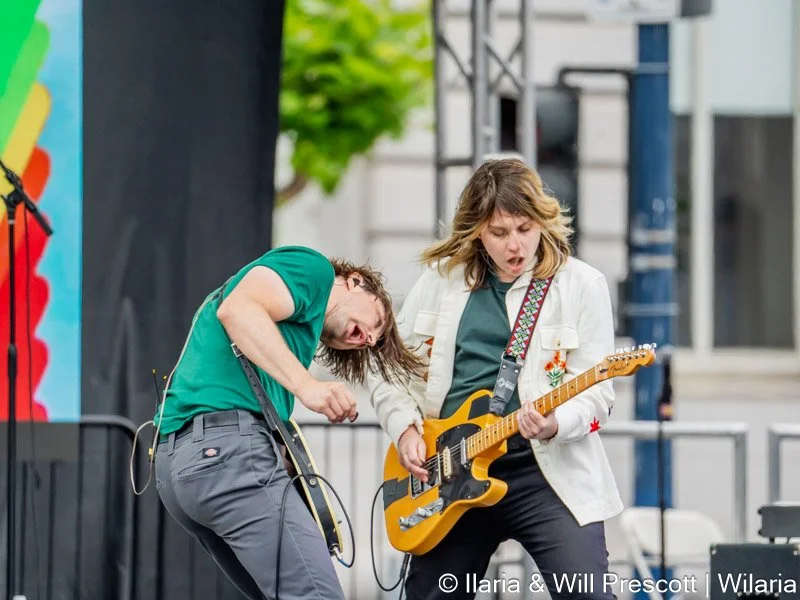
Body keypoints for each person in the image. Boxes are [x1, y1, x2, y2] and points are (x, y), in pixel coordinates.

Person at [369, 158, 624, 600]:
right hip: (448, 473)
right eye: (499, 233)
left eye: (525, 229)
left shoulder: (582, 284)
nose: (515, 246)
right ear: (476, 231)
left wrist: (556, 423)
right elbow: (388, 368)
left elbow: (598, 391)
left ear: (543, 221)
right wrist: (404, 428)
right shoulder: (440, 280)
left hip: (547, 473)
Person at [153, 245, 422, 600]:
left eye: (372, 342)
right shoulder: (316, 271)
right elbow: (237, 308)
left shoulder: (290, 331)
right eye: (378, 321)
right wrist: (307, 387)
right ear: (355, 282)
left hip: (179, 467)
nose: (369, 338)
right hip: (222, 455)